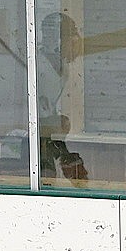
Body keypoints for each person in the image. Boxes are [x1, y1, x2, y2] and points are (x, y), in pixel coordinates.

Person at [37, 12, 88, 184]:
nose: (74, 41)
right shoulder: (37, 66)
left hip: (49, 137)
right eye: (69, 36)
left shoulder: (62, 67)